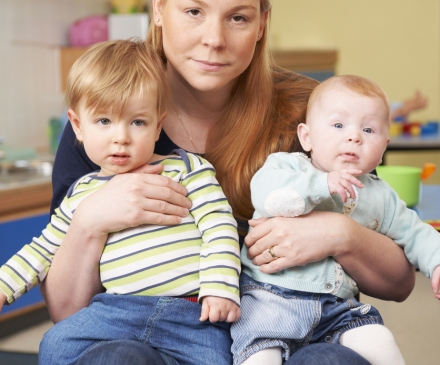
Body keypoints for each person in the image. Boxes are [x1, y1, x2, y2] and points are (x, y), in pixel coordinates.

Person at [41, 1, 416, 364]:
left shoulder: (315, 110)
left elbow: (398, 283)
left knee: (329, 360)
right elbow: (66, 312)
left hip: (293, 331)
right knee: (120, 358)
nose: (214, 39)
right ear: (158, 9)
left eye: (237, 17)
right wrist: (89, 220)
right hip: (149, 335)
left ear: (262, 24)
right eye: (193, 11)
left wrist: (341, 233)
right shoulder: (107, 114)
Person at [0, 39, 241, 365]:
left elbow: (219, 225)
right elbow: (43, 250)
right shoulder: (81, 193)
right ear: (77, 125)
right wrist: (3, 287)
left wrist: (219, 287)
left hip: (190, 311)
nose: (121, 137)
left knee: (219, 358)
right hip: (115, 310)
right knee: (56, 346)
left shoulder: (188, 168)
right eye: (104, 121)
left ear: (158, 125)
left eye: (137, 122)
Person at [232, 75, 440, 365]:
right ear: (306, 137)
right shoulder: (287, 165)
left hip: (336, 310)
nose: (354, 137)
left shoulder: (380, 195)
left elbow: (416, 232)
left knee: (380, 339)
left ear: (384, 147)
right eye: (339, 125)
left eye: (368, 130)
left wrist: (436, 261)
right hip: (269, 301)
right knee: (258, 358)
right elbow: (267, 197)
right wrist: (321, 184)